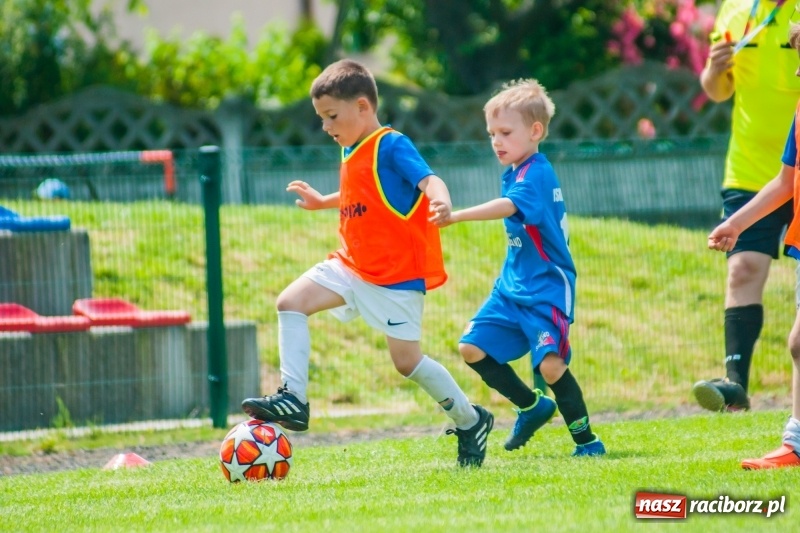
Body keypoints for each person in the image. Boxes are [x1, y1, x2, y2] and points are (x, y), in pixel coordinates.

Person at [241, 59, 494, 468]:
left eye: (331, 116)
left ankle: (469, 421)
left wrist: (442, 201)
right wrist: (324, 201)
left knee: (406, 362)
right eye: (321, 118)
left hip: (395, 277)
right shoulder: (349, 145)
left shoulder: (392, 145)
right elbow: (363, 195)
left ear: (362, 106)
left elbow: (429, 180)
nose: (326, 126)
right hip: (351, 266)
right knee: (290, 302)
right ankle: (294, 398)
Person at [437, 79, 605, 457]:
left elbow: (509, 207)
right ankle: (532, 407)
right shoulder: (515, 170)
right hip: (511, 288)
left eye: (505, 132)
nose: (496, 141)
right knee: (471, 348)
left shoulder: (535, 173)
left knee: (550, 366)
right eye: (492, 133)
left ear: (535, 131)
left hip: (546, 288)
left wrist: (456, 216)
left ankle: (587, 442)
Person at [693, 0, 800, 412]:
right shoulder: (734, 10)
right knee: (742, 268)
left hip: (798, 170)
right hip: (753, 170)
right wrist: (715, 69)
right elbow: (717, 91)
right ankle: (735, 385)